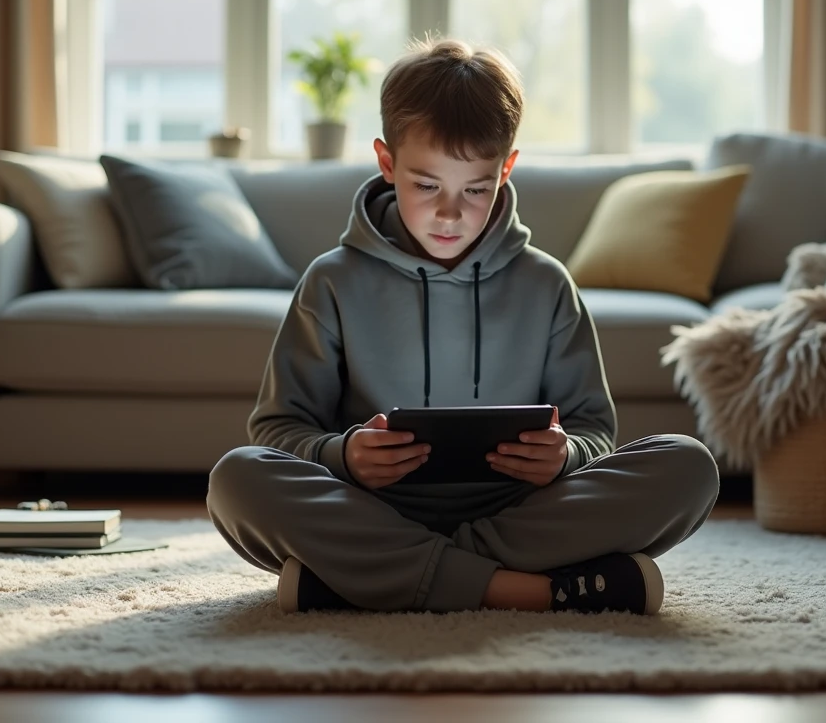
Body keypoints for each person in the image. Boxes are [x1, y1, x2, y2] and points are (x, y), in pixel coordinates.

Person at [207, 36, 719, 615]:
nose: (450, 213)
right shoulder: (331, 282)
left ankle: (373, 580)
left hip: (519, 512)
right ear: (386, 162)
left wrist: (566, 455)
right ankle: (519, 589)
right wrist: (344, 455)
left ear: (507, 169)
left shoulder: (548, 285)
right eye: (426, 185)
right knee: (237, 478)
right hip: (373, 508)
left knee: (689, 465)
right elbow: (276, 432)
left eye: (476, 188)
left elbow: (595, 432)